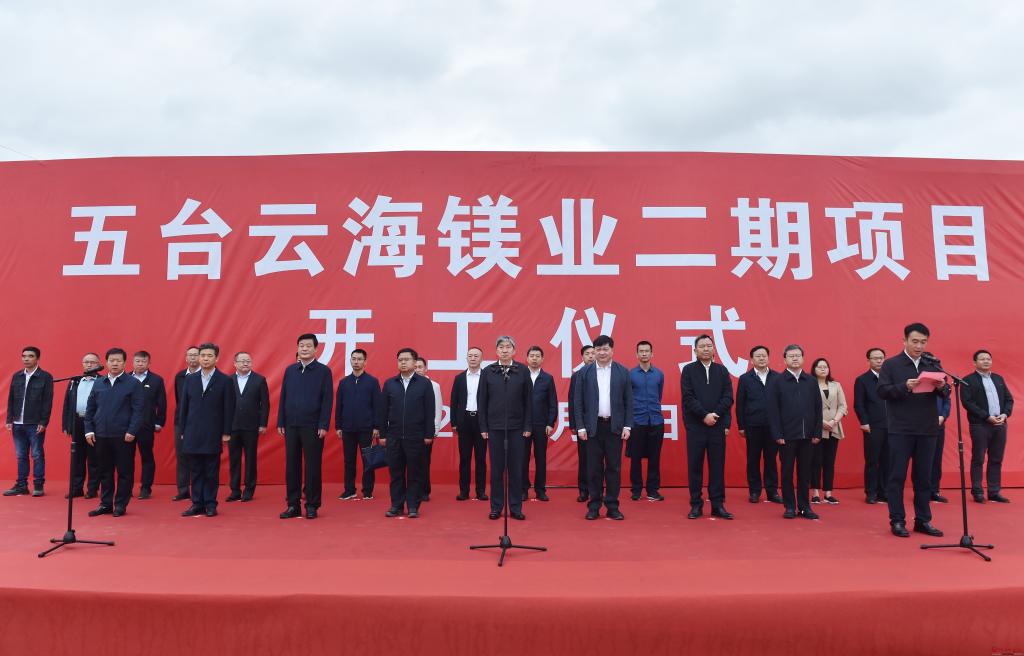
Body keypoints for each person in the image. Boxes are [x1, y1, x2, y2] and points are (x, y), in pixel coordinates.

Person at [877, 322, 949, 538]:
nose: (919, 346)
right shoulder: (892, 364)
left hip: (928, 429)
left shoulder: (932, 364)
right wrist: (904, 386)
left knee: (924, 478)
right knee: (897, 476)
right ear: (905, 341)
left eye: (923, 342)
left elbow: (946, 392)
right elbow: (882, 391)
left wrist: (942, 387)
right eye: (915, 341)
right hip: (901, 429)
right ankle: (897, 520)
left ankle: (923, 520)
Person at [574, 334, 633, 521]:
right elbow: (578, 402)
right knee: (594, 469)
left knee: (614, 468)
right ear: (594, 351)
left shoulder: (623, 372)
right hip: (593, 427)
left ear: (612, 351)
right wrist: (580, 426)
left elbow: (629, 401)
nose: (601, 352)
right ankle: (594, 506)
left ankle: (612, 506)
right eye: (598, 349)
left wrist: (628, 425)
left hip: (615, 427)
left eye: (605, 349)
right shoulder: (584, 373)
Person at [277, 333, 333, 520]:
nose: (304, 348)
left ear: (316, 349)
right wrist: (281, 421)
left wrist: (323, 424)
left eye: (308, 346)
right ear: (297, 348)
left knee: (312, 467)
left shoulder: (323, 371)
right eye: (301, 345)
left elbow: (327, 400)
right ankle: (293, 505)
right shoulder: (290, 370)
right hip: (291, 425)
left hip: (313, 426)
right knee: (291, 467)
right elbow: (283, 396)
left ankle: (312, 505)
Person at [84, 348, 144, 517]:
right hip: (101, 435)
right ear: (106, 362)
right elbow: (90, 408)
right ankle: (105, 504)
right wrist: (89, 430)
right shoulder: (98, 383)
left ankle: (120, 505)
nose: (115, 363)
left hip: (123, 436)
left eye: (118, 360)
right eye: (111, 360)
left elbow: (138, 410)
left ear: (124, 363)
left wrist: (132, 430)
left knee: (124, 472)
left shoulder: (133, 383)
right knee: (104, 471)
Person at [680, 334, 734, 520]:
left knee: (717, 467)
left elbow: (728, 396)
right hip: (696, 426)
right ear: (695, 350)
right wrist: (704, 415)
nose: (705, 348)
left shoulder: (722, 370)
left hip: (717, 426)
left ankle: (718, 505)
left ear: (713, 349)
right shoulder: (688, 370)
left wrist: (715, 414)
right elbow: (688, 397)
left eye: (709, 345)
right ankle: (696, 505)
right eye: (702, 346)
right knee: (695, 467)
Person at [478, 336, 532, 521]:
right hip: (495, 428)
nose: (505, 350)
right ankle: (496, 506)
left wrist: (527, 425)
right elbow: (482, 400)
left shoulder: (522, 371)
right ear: (496, 351)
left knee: (516, 470)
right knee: (496, 470)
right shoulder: (488, 371)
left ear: (514, 351)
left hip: (517, 428)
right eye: (501, 347)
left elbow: (528, 401)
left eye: (508, 347)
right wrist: (483, 426)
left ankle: (515, 507)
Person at [767, 345, 822, 520]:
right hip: (787, 436)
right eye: (791, 356)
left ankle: (805, 507)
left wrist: (817, 432)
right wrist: (777, 434)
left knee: (805, 473)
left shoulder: (811, 381)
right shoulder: (777, 381)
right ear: (784, 360)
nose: (795, 358)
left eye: (798, 355)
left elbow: (818, 408)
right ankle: (790, 506)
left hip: (808, 436)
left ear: (803, 358)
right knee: (787, 472)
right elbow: (773, 410)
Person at [179, 343, 234, 518]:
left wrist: (226, 432)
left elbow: (229, 408)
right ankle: (197, 503)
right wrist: (182, 429)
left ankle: (210, 504)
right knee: (195, 470)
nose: (205, 359)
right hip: (192, 431)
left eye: (209, 356)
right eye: (202, 356)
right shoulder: (190, 379)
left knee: (211, 471)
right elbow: (184, 407)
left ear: (216, 358)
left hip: (213, 432)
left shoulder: (225, 380)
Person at [379, 348, 435, 518]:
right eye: (400, 360)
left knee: (415, 473)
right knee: (395, 473)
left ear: (414, 362)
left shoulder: (424, 383)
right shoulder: (390, 383)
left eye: (406, 359)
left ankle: (413, 506)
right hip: (394, 436)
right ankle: (396, 505)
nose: (403, 362)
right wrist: (383, 434)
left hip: (415, 436)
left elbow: (429, 410)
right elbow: (383, 411)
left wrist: (428, 434)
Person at [962, 349, 1014, 504]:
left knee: (996, 459)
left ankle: (994, 491)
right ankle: (977, 491)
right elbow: (968, 403)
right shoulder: (968, 380)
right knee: (978, 459)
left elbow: (1009, 399)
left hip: (1000, 423)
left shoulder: (998, 378)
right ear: (974, 362)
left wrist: (1005, 414)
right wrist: (986, 416)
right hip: (980, 424)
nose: (986, 361)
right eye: (982, 359)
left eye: (988, 359)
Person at [4, 346, 54, 497]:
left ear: (37, 358)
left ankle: (38, 485)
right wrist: (9, 419)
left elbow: (47, 401)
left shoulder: (45, 377)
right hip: (17, 423)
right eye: (24, 356)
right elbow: (11, 399)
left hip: (35, 423)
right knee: (21, 455)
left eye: (30, 356)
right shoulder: (17, 376)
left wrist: (43, 422)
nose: (26, 359)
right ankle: (21, 485)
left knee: (37, 454)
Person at [735, 345, 782, 504]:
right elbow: (740, 404)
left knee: (771, 460)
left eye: (764, 356)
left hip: (773, 426)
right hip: (752, 425)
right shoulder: (745, 379)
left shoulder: (777, 377)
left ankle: (772, 491)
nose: (761, 358)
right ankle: (754, 491)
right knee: (753, 459)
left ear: (768, 358)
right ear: (751, 360)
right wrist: (741, 425)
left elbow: (782, 403)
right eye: (758, 356)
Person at [335, 349, 381, 501]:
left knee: (368, 460)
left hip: (366, 428)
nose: (356, 362)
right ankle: (349, 490)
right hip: (347, 428)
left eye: (359, 359)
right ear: (350, 361)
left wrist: (376, 426)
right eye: (353, 359)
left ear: (365, 362)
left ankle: (367, 490)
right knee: (349, 461)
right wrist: (338, 426)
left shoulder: (372, 382)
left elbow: (378, 406)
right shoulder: (343, 383)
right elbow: (339, 406)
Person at [227, 351, 269, 502]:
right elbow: (223, 404)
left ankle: (249, 490)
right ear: (235, 363)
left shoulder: (259, 380)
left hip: (251, 426)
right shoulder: (228, 380)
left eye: (248, 361)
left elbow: (265, 404)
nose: (245, 363)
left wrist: (263, 423)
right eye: (242, 361)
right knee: (234, 459)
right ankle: (235, 490)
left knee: (250, 459)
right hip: (232, 426)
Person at [60, 353, 102, 498]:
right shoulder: (75, 381)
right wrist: (66, 424)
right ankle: (76, 488)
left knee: (94, 458)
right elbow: (67, 403)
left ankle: (92, 489)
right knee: (77, 458)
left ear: (99, 364)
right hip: (77, 421)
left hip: (94, 423)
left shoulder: (103, 381)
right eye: (86, 362)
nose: (89, 365)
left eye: (92, 362)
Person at [628, 340, 665, 501]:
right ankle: (636, 490)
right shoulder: (630, 375)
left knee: (655, 458)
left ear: (652, 353)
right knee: (635, 458)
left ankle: (652, 490)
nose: (644, 353)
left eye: (647, 351)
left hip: (656, 421)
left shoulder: (659, 374)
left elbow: (659, 395)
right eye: (641, 351)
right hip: (637, 421)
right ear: (637, 354)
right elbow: (627, 398)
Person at [450, 347, 488, 501]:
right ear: (466, 358)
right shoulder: (459, 378)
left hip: (481, 421)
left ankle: (481, 491)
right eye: (470, 356)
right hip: (464, 421)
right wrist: (454, 422)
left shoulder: (487, 377)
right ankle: (464, 491)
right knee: (464, 459)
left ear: (481, 359)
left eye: (476, 356)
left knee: (481, 459)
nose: (473, 358)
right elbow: (454, 402)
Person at [810, 358, 847, 505]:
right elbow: (808, 407)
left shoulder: (836, 385)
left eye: (825, 366)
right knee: (815, 461)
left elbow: (843, 406)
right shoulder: (810, 385)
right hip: (816, 428)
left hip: (834, 427)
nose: (823, 369)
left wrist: (834, 421)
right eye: (820, 367)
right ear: (814, 369)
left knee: (829, 462)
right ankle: (815, 492)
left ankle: (828, 493)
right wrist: (821, 422)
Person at [130, 351, 167, 500]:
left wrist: (159, 422)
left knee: (147, 457)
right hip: (127, 426)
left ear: (149, 363)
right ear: (132, 362)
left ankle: (146, 488)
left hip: (146, 425)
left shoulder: (156, 380)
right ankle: (126, 488)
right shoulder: (125, 378)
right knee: (126, 458)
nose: (140, 364)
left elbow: (162, 403)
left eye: (143, 361)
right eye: (137, 361)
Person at [854, 348, 888, 504]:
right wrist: (864, 422)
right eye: (875, 358)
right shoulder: (862, 380)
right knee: (872, 460)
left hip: (891, 425)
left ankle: (884, 491)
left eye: (881, 358)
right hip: (872, 426)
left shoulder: (889, 378)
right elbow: (859, 404)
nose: (879, 361)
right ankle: (871, 492)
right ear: (868, 360)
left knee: (888, 460)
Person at [523, 346, 557, 501]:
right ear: (527, 358)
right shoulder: (521, 376)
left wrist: (550, 423)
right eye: (532, 356)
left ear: (542, 359)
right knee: (522, 458)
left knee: (541, 458)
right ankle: (523, 490)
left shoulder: (547, 378)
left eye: (537, 356)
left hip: (541, 425)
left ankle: (540, 490)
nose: (534, 358)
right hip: (523, 425)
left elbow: (552, 403)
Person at [172, 346, 201, 501]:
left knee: (199, 456)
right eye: (190, 355)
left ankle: (199, 489)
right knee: (181, 455)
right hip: (181, 421)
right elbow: (179, 400)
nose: (193, 358)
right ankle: (183, 489)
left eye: (196, 355)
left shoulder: (206, 376)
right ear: (186, 358)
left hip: (200, 421)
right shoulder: (180, 376)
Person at [568, 345, 595, 503]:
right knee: (584, 458)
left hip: (599, 424)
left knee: (598, 460)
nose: (591, 356)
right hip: (583, 425)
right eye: (587, 354)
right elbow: (573, 401)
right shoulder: (577, 376)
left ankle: (597, 490)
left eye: (593, 353)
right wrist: (574, 424)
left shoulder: (603, 374)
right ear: (582, 357)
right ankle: (584, 490)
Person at [414, 357, 443, 502]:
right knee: (411, 462)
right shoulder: (407, 384)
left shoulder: (434, 385)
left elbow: (437, 409)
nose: (417, 370)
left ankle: (424, 491)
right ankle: (413, 490)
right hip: (410, 430)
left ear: (426, 369)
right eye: (415, 367)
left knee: (424, 462)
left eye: (420, 367)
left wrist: (434, 429)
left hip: (426, 430)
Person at [929, 394, 951, 503]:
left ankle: (934, 491)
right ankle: (921, 491)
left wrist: (943, 415)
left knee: (937, 459)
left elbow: (947, 401)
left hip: (939, 425)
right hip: (922, 425)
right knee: (923, 460)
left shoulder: (942, 385)